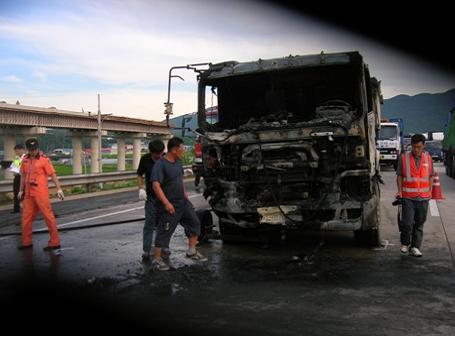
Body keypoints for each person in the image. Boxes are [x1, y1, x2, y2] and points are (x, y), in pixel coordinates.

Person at [151, 137, 207, 271]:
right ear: (175, 150)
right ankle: (157, 259)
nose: (183, 151)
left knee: (194, 222)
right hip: (170, 203)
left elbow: (179, 179)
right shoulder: (161, 164)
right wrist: (166, 204)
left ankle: (192, 251)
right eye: (182, 148)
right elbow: (156, 186)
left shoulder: (178, 161)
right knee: (164, 231)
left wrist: (185, 193)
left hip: (182, 201)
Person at [17, 138, 65, 251]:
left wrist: (59, 189)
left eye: (34, 149)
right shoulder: (25, 160)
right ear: (27, 149)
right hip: (28, 193)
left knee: (48, 217)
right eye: (30, 149)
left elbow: (52, 175)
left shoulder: (44, 160)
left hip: (40, 193)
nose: (32, 151)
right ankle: (26, 242)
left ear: (38, 148)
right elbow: (23, 176)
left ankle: (55, 242)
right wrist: (20, 190)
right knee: (26, 218)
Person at [396, 133, 434, 257]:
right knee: (407, 223)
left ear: (423, 146)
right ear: (411, 145)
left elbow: (431, 176)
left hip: (423, 197)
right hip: (408, 196)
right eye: (413, 147)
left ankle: (415, 247)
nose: (416, 149)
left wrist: (429, 190)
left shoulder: (428, 158)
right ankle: (405, 243)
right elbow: (400, 176)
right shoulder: (404, 158)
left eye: (418, 147)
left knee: (419, 223)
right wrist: (400, 191)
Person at [136, 139, 166, 261]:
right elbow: (139, 175)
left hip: (164, 197)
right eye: (155, 155)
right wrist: (140, 188)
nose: (158, 157)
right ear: (150, 152)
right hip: (151, 198)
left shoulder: (165, 158)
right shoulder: (145, 159)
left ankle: (163, 247)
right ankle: (146, 250)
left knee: (163, 224)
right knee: (149, 224)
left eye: (160, 154)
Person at [9, 144, 25, 213]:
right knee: (16, 192)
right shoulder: (17, 158)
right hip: (17, 177)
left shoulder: (26, 158)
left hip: (24, 177)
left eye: (18, 151)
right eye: (16, 151)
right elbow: (14, 169)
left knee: (25, 193)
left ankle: (27, 207)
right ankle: (16, 208)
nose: (17, 153)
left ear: (22, 150)